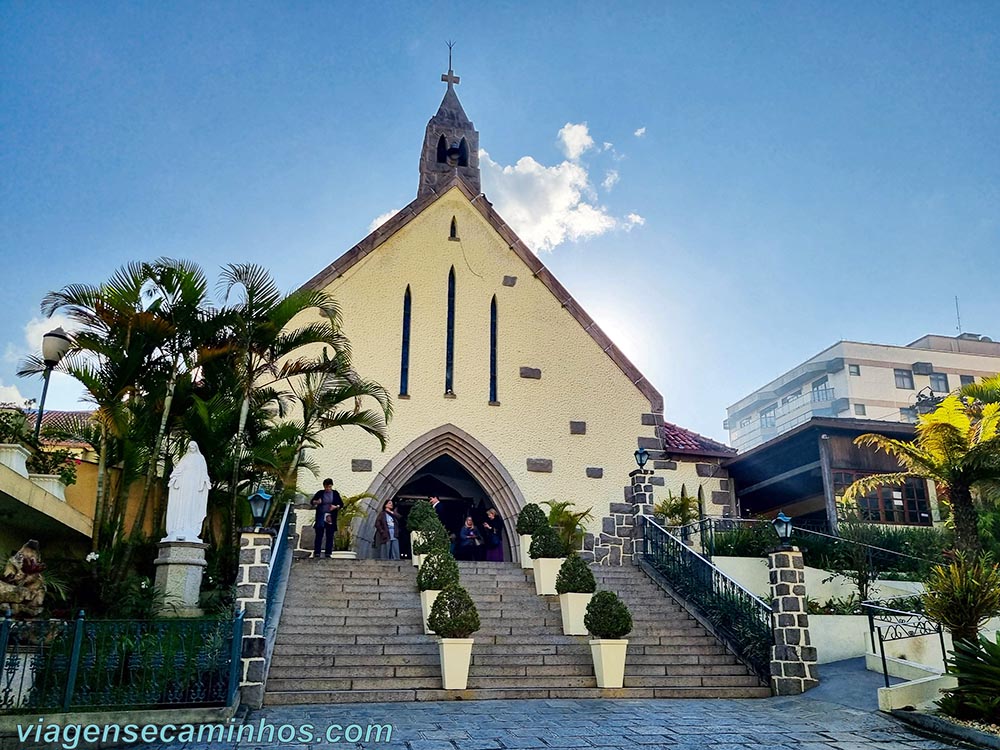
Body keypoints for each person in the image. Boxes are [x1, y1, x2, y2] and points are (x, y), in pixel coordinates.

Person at [310, 478, 344, 558]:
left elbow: (341, 504)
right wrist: (317, 502)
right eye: (326, 487)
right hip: (321, 515)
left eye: (329, 487)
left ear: (331, 486)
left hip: (330, 516)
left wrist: (335, 507)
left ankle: (328, 553)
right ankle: (317, 552)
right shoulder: (320, 493)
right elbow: (312, 501)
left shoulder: (335, 494)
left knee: (330, 535)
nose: (328, 489)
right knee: (319, 534)